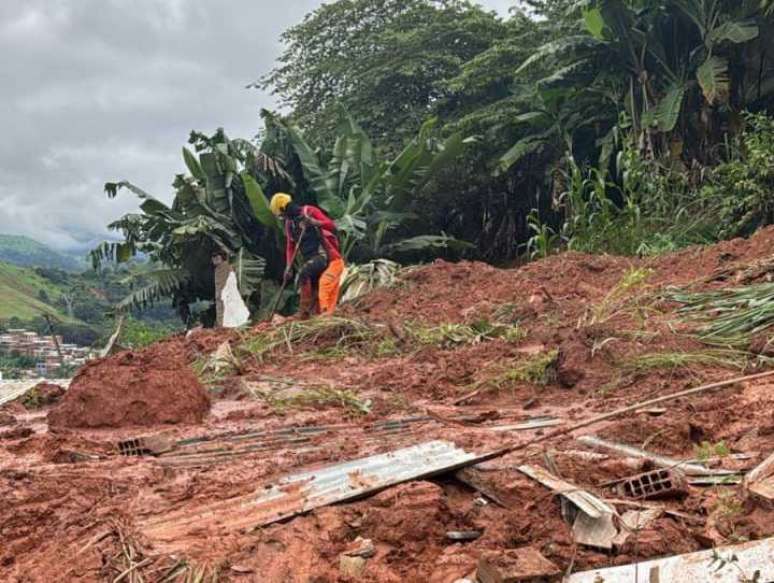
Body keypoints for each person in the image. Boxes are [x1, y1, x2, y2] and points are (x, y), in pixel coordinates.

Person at [269, 193, 345, 318]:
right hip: (309, 258)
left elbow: (331, 225)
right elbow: (290, 246)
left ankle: (303, 311)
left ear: (284, 209)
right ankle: (318, 314)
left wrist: (315, 222)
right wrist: (288, 266)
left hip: (322, 255)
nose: (282, 217)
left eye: (281, 214)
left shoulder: (309, 211)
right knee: (315, 289)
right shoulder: (290, 224)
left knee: (303, 273)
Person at [211, 250, 250, 328]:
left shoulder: (227, 267)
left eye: (217, 258)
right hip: (222, 295)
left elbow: (231, 281)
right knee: (223, 312)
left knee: (231, 310)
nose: (214, 260)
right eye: (213, 258)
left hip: (228, 294)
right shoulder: (218, 269)